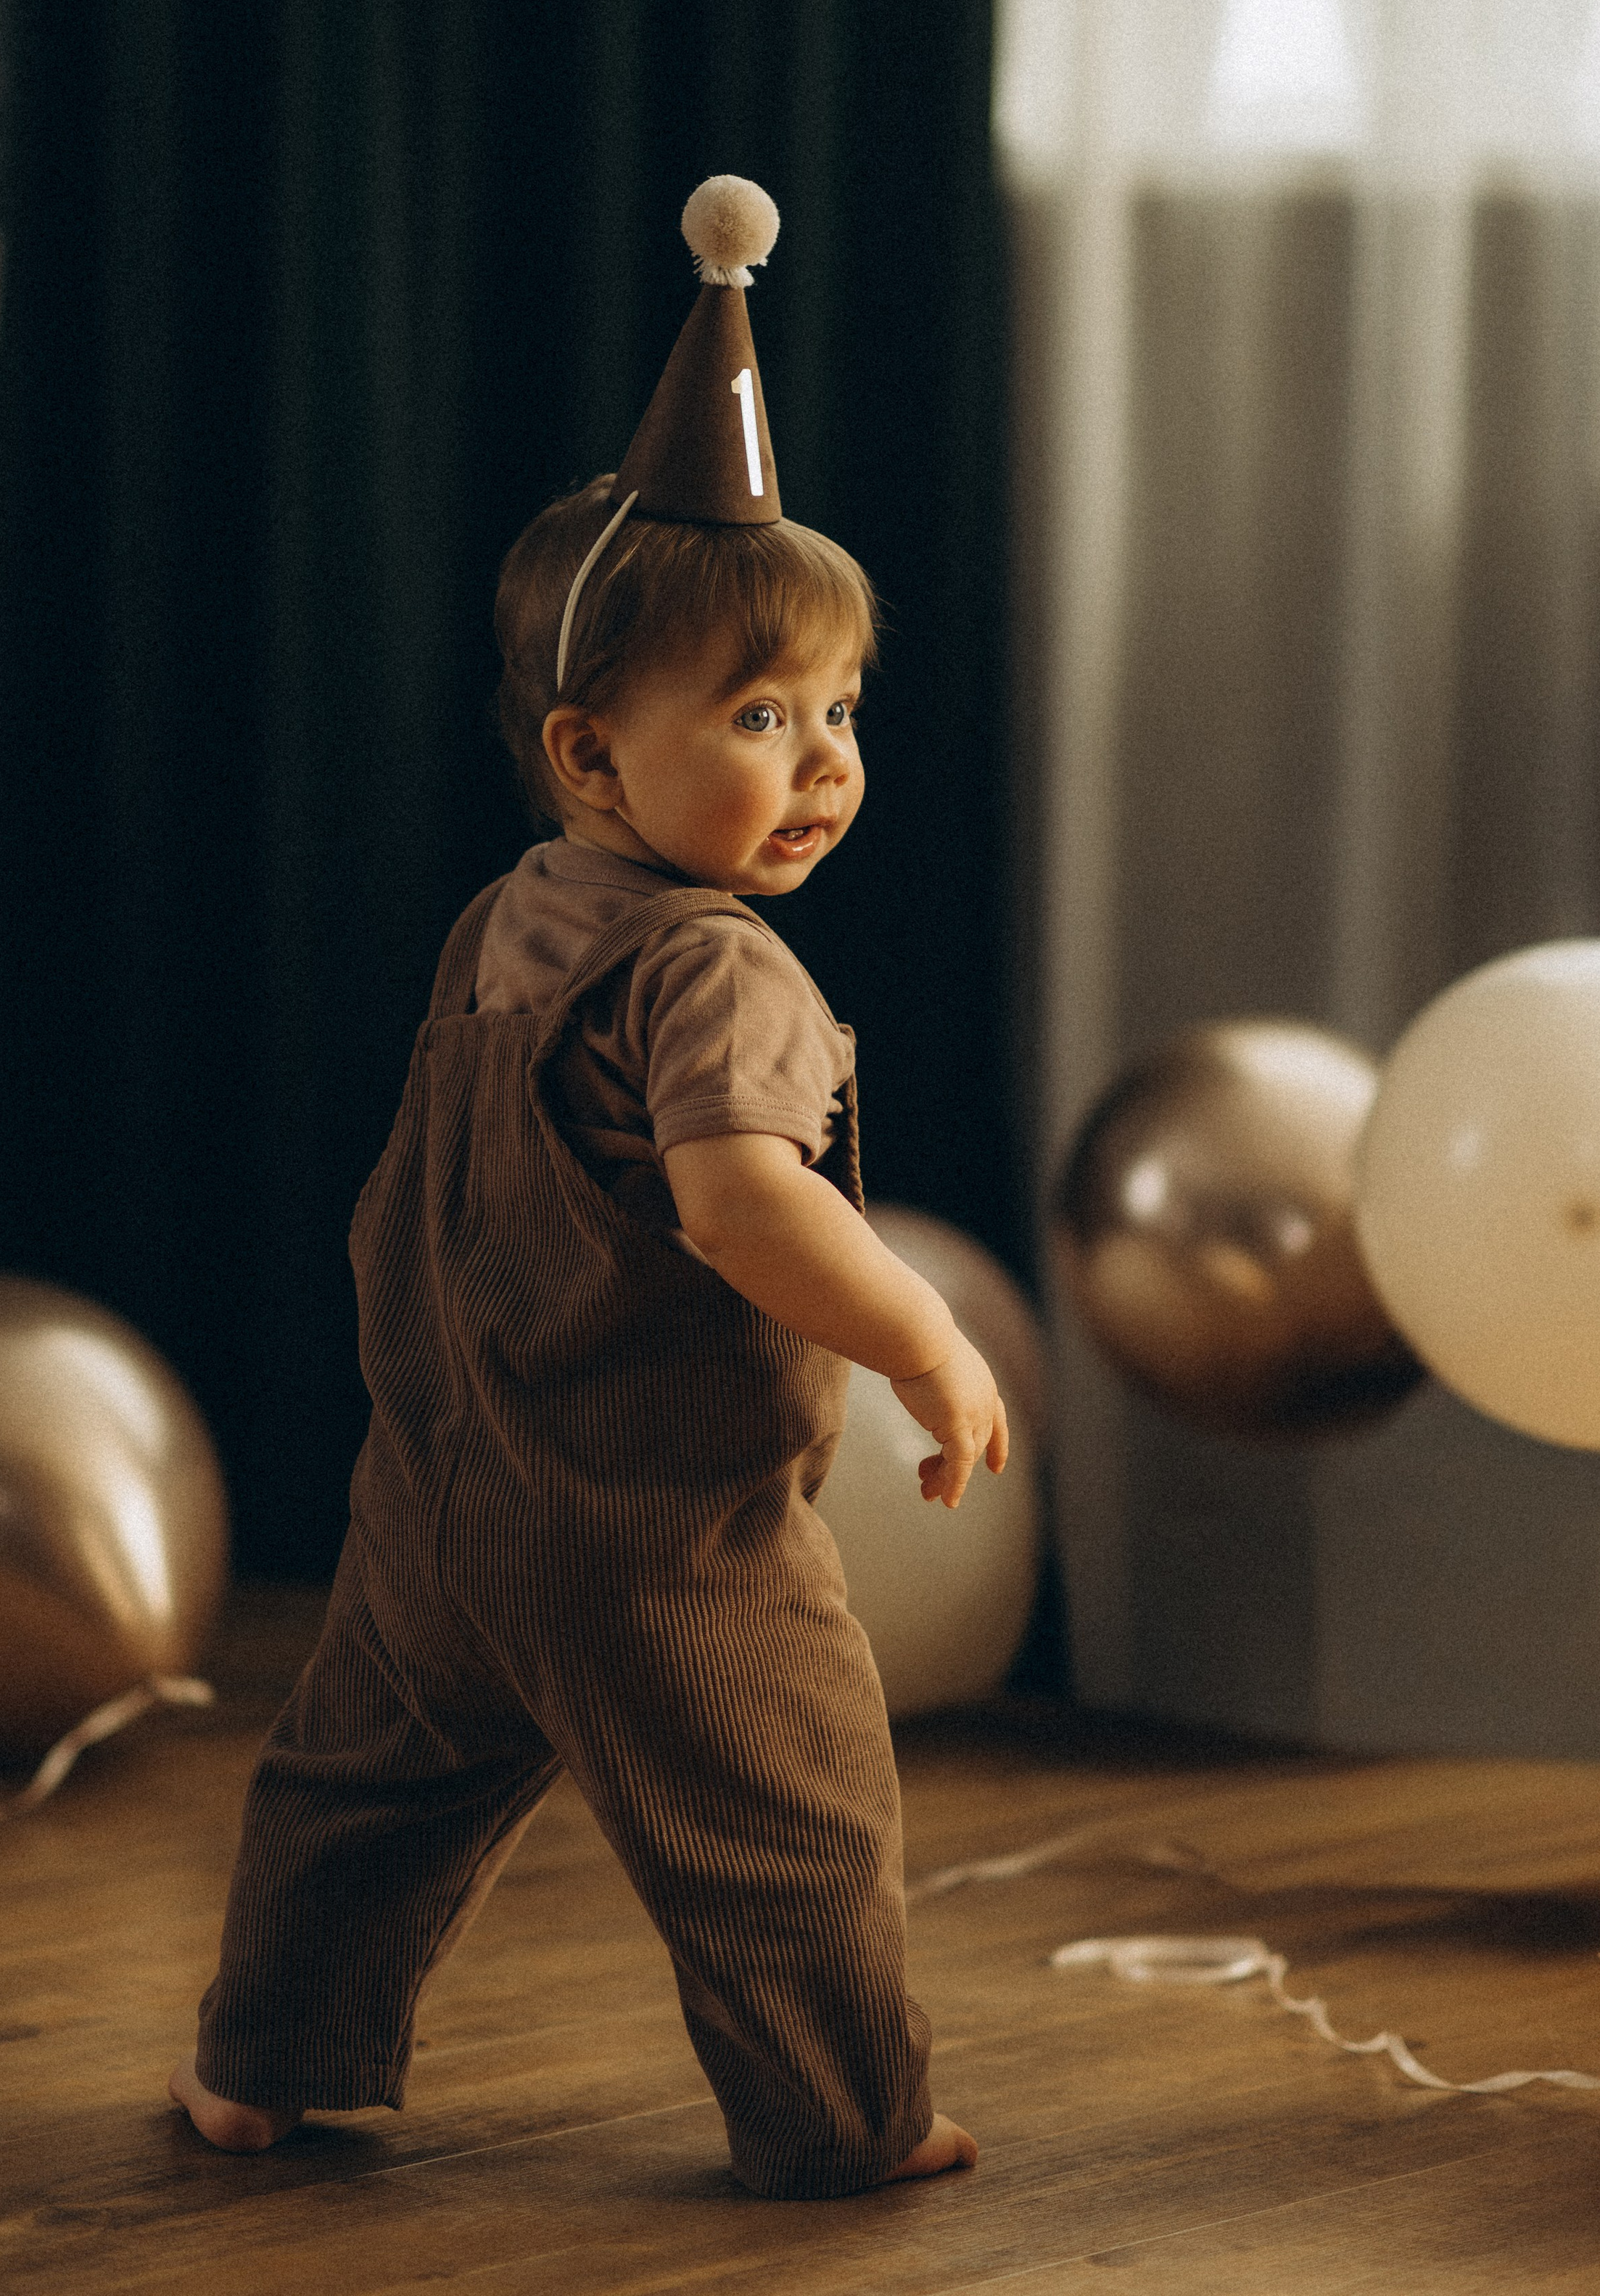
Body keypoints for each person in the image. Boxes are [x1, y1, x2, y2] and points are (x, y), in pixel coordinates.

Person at [170, 178, 1008, 2199]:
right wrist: (923, 1333)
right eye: (759, 718)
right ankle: (846, 2121)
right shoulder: (721, 970)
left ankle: (258, 2066)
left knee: (360, 1789)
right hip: (654, 1526)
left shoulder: (511, 920)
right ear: (592, 751)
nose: (823, 763)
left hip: (447, 1485)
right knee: (785, 1808)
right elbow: (738, 1207)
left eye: (840, 713)